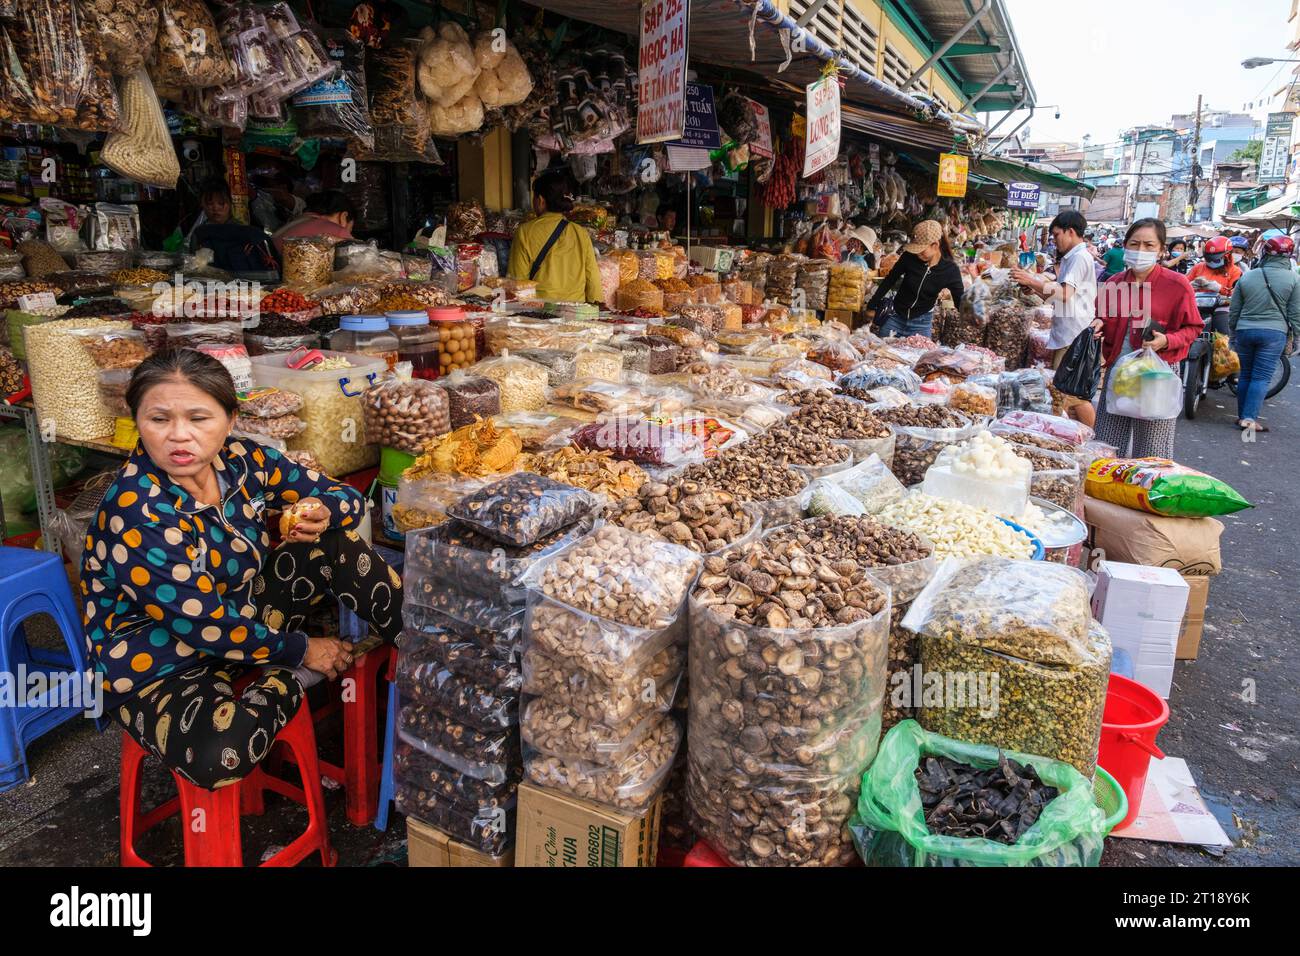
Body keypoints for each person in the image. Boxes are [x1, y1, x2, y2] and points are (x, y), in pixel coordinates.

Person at [81, 349, 404, 790]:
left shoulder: (242, 459)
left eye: (199, 418)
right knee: (220, 755)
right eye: (159, 420)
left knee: (335, 544)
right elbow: (204, 627)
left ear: (231, 420)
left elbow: (346, 498)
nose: (180, 436)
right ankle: (292, 678)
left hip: (244, 618)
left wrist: (322, 509)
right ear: (137, 420)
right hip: (158, 666)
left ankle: (423, 651)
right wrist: (303, 650)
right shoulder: (137, 511)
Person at [1090, 218, 1204, 458]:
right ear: (1126, 245)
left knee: (1152, 453)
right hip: (1119, 372)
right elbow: (1102, 315)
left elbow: (1193, 327)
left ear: (1161, 250)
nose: (1140, 250)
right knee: (1107, 447)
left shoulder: (1177, 285)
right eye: (1135, 243)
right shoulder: (1114, 282)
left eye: (1149, 245)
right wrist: (1099, 323)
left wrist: (1167, 340)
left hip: (1157, 375)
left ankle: (1146, 495)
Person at [1010, 210, 1099, 428]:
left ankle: (1090, 436)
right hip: (1067, 333)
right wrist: (1034, 288)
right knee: (1065, 392)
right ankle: (1073, 432)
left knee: (1072, 394)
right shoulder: (1072, 257)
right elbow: (1060, 296)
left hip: (1073, 335)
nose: (1054, 240)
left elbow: (1065, 293)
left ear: (1070, 231)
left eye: (1056, 235)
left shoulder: (1079, 257)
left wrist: (1032, 279)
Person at [1227, 233, 1300, 433]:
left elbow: (1234, 310)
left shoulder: (1248, 275)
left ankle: (1243, 417)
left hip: (1245, 330)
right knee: (1260, 377)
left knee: (1246, 375)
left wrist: (1233, 332)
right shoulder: (1294, 278)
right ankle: (1249, 419)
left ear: (1265, 252)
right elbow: (1295, 313)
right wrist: (1296, 338)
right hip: (1274, 333)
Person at [508, 168, 602, 303]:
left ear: (540, 200)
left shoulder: (525, 232)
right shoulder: (581, 233)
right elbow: (592, 277)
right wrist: (596, 310)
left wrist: (524, 314)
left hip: (540, 314)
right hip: (576, 314)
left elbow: (518, 282)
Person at [864, 220, 965, 338]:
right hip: (895, 317)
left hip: (921, 325)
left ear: (935, 245)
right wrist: (871, 306)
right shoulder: (908, 257)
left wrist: (971, 313)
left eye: (921, 250)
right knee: (883, 353)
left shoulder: (950, 270)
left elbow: (960, 302)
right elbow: (889, 280)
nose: (917, 254)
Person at [189, 178, 278, 274]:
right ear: (202, 204)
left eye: (221, 203)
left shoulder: (247, 234)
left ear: (230, 203)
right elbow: (197, 269)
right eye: (210, 203)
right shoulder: (199, 234)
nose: (215, 208)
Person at [272, 190, 356, 256]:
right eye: (350, 229)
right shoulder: (336, 230)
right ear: (343, 216)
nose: (347, 232)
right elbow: (359, 256)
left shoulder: (299, 220)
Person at [1188, 236, 1242, 334]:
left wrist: (1219, 288)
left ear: (1227, 256)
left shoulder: (1235, 271)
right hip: (1196, 307)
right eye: (1208, 260)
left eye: (1216, 260)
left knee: (1223, 331)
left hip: (1222, 307)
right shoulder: (1198, 267)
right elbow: (1183, 285)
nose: (1211, 263)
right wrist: (1190, 286)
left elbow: (1236, 294)